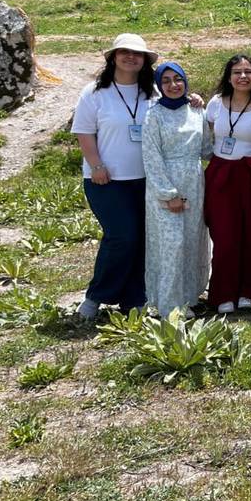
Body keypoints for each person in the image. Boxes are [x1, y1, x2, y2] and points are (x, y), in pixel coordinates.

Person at [71, 33, 158, 319]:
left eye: (137, 54)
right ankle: (96, 297)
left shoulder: (153, 92)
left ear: (145, 60)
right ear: (113, 57)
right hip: (105, 179)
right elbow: (84, 132)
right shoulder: (94, 92)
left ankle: (133, 298)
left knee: (142, 238)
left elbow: (176, 107)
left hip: (146, 179)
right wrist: (96, 165)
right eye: (124, 52)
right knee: (122, 236)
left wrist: (193, 99)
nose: (131, 57)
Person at [141, 61, 210, 319]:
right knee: (170, 244)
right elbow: (151, 157)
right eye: (166, 80)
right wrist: (168, 194)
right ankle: (168, 304)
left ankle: (189, 297)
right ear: (159, 85)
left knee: (192, 241)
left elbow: (206, 148)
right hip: (165, 184)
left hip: (194, 182)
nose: (173, 85)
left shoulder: (196, 111)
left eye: (178, 79)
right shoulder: (154, 115)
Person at [205, 54, 251, 314]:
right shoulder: (214, 104)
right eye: (237, 72)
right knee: (224, 235)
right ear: (228, 77)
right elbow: (208, 136)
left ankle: (248, 292)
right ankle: (223, 293)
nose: (243, 77)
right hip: (221, 175)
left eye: (248, 72)